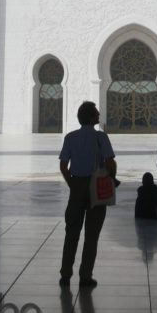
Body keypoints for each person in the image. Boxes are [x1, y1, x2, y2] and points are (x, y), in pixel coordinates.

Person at [58, 101, 116, 288]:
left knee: (71, 233)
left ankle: (65, 274)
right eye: (97, 114)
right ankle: (85, 276)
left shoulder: (70, 137)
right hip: (96, 187)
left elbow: (63, 166)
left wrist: (72, 184)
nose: (99, 116)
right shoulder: (101, 137)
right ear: (91, 117)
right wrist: (110, 177)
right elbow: (110, 162)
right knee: (92, 235)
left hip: (77, 185)